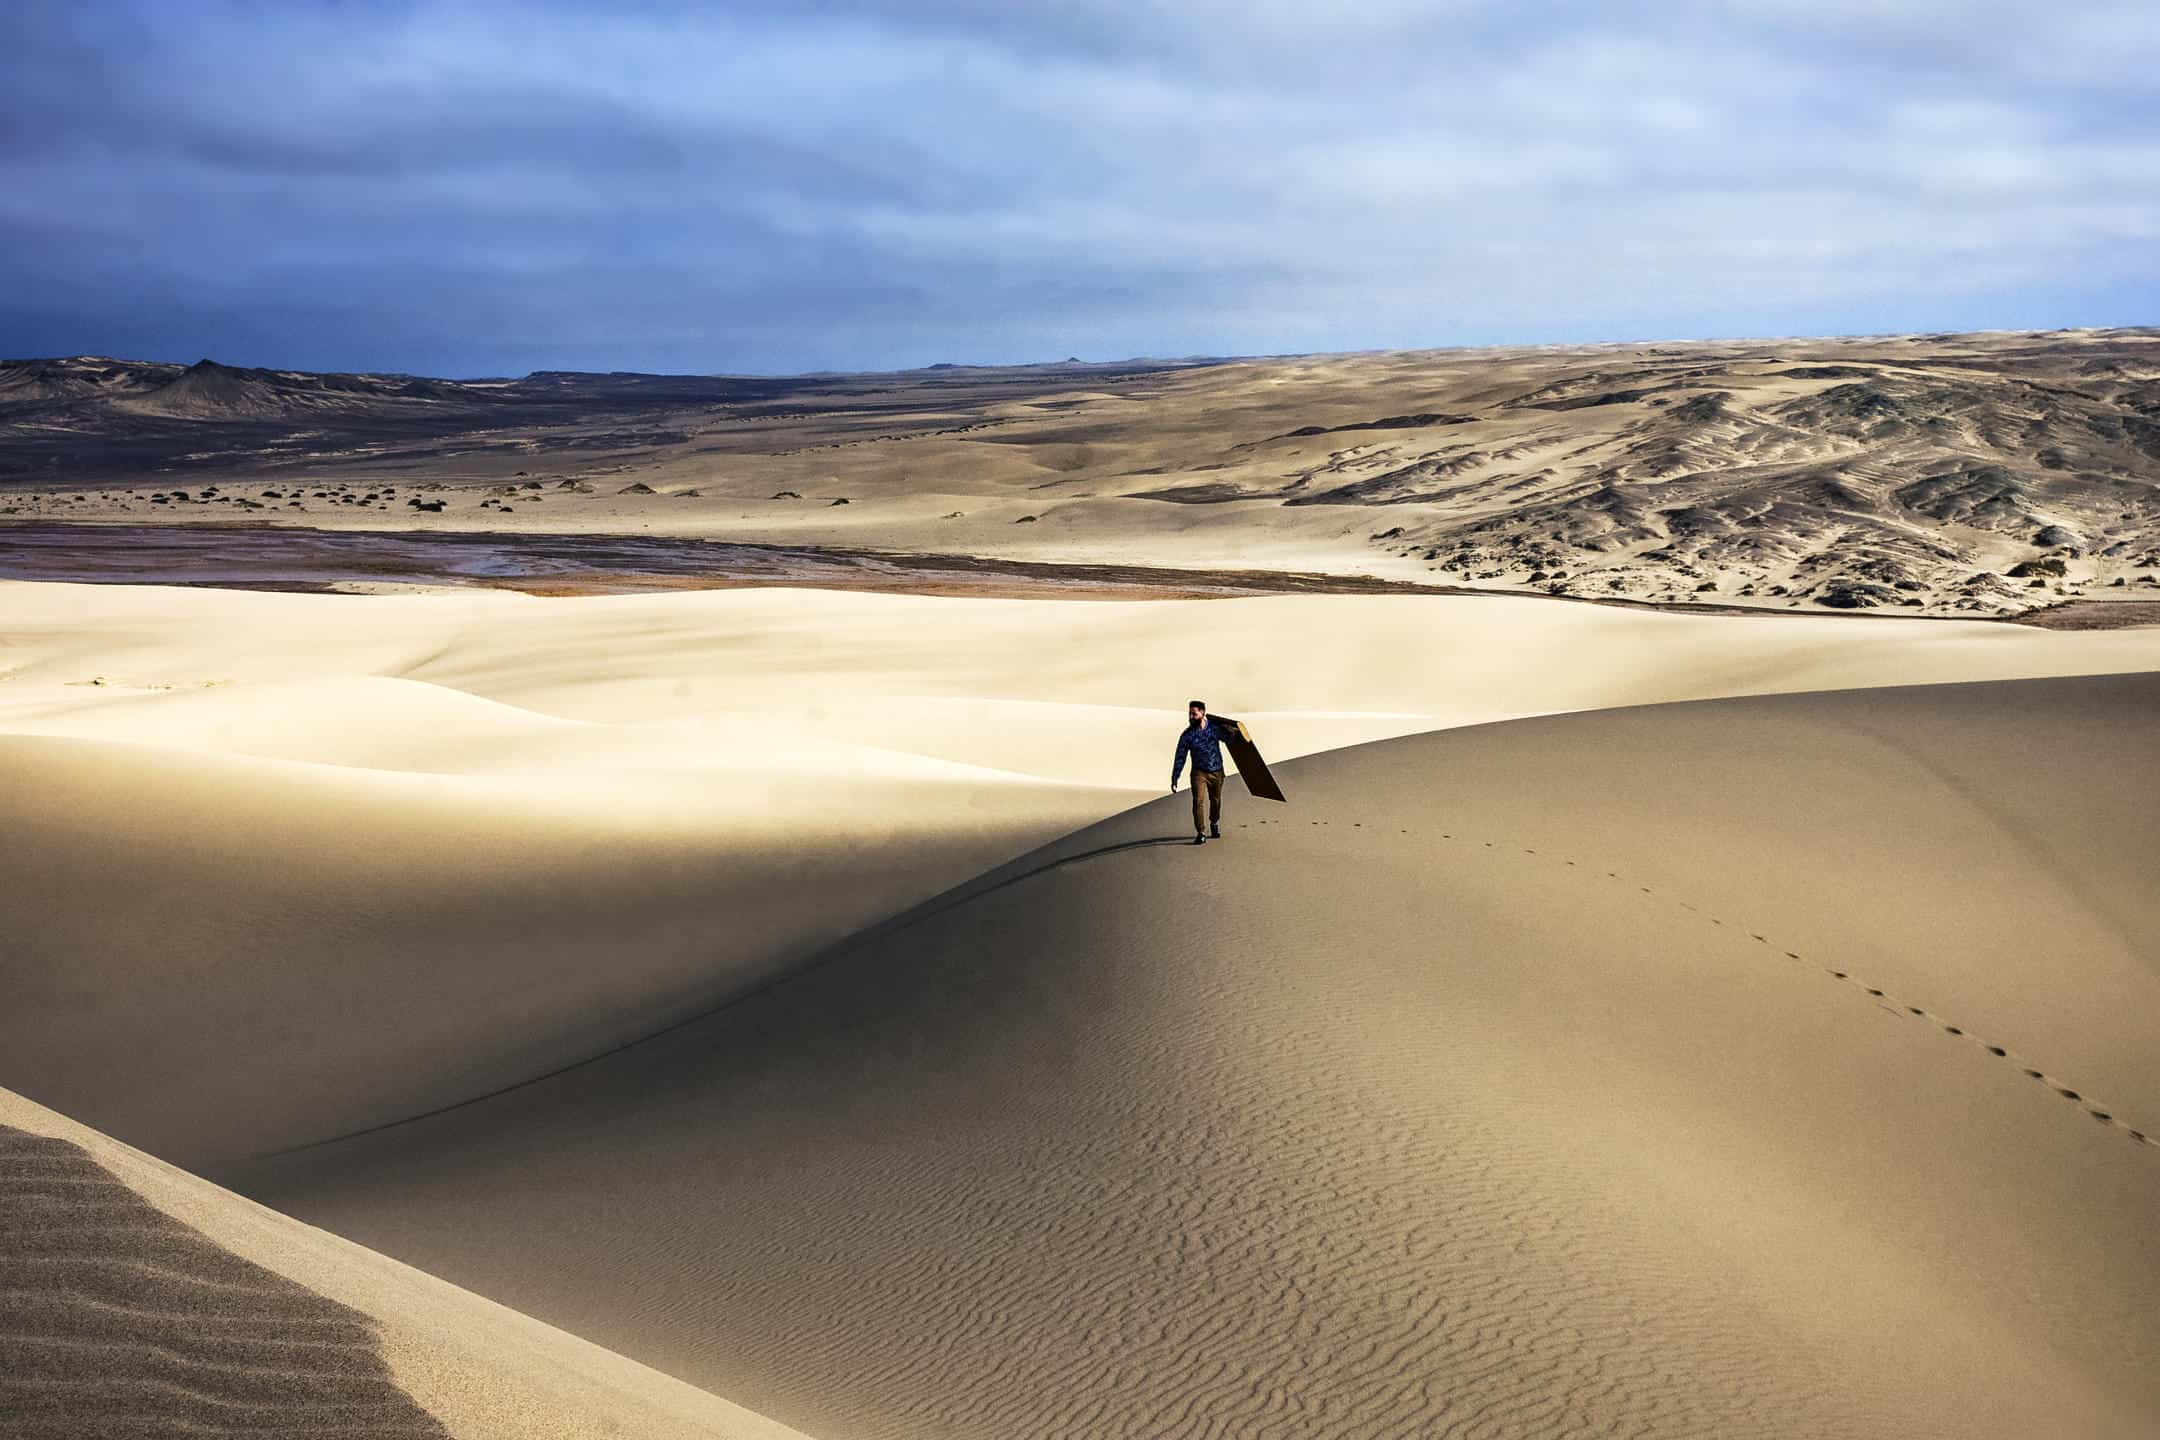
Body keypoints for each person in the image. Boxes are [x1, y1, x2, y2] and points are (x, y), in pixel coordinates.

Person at [1170, 699, 1227, 844]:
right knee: (1198, 801)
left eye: (1194, 714)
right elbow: (1180, 757)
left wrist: (1233, 732)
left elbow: (1229, 739)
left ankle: (1214, 823)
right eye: (1189, 714)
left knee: (1215, 800)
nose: (1191, 717)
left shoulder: (1214, 728)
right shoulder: (1187, 735)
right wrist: (1175, 777)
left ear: (1202, 713)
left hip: (1216, 771)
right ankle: (1201, 832)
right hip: (1198, 773)